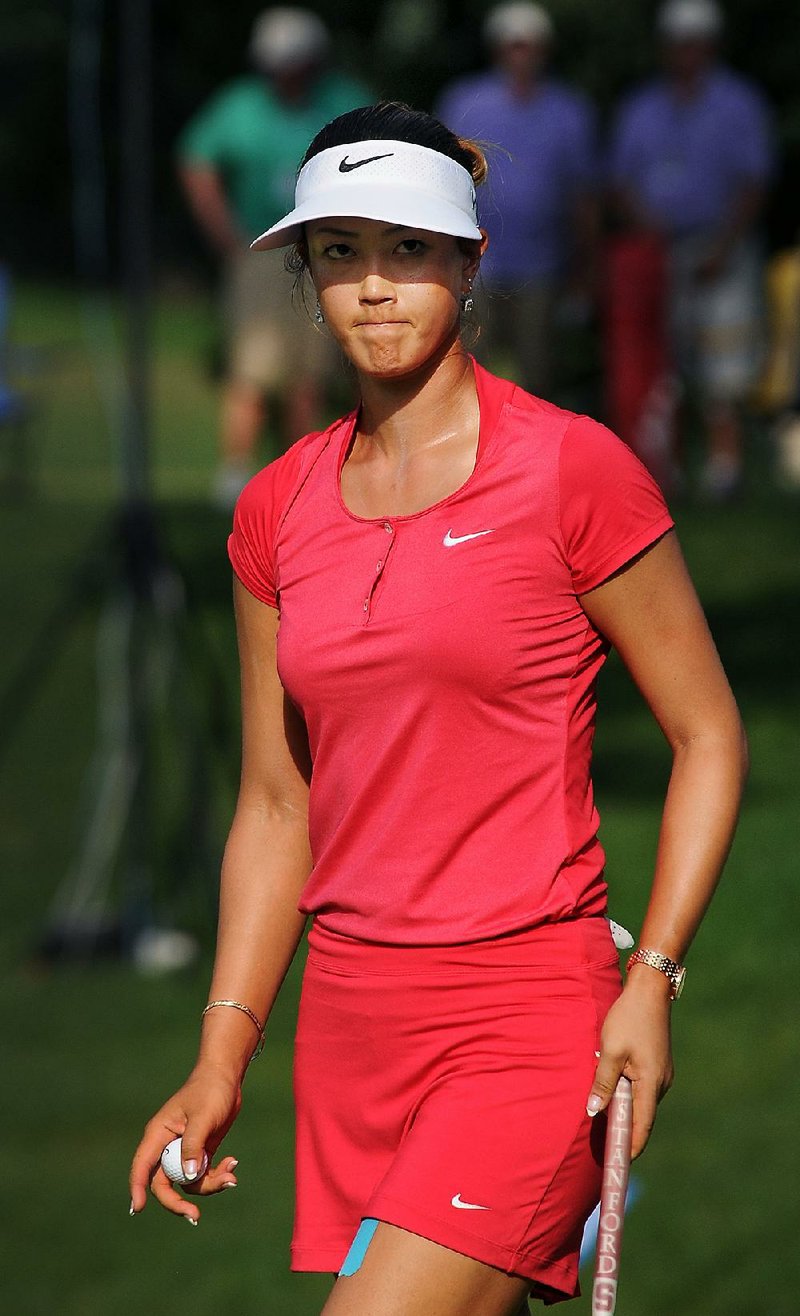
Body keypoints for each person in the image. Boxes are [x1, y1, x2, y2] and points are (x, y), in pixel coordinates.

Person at [130, 101, 747, 1313]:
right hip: (354, 1034)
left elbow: (707, 733)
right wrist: (220, 1052)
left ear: (469, 261)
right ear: (304, 275)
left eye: (408, 249)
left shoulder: (572, 469)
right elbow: (273, 803)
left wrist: (653, 975)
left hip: (527, 1021)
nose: (372, 285)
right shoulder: (273, 510)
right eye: (339, 251)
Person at [177, 7, 368, 506]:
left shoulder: (344, 101)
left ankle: (307, 474)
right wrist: (224, 234)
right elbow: (196, 160)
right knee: (251, 371)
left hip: (327, 250)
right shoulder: (241, 105)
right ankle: (235, 473)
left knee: (311, 373)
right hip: (261, 252)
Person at [608, 0, 774, 500]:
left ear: (711, 45)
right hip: (659, 251)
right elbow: (620, 182)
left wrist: (725, 244)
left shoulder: (738, 103)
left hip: (724, 246)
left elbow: (754, 182)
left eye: (695, 42)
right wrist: (650, 236)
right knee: (665, 364)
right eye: (679, 42)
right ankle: (667, 470)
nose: (687, 52)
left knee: (723, 364)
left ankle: (726, 470)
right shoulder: (642, 107)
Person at [436, 2, 598, 399]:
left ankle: (531, 459)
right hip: (473, 262)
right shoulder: (463, 101)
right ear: (498, 49)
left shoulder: (568, 110)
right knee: (466, 371)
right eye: (513, 46)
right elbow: (438, 180)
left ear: (544, 50)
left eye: (529, 46)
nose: (521, 55)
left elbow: (584, 196)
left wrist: (584, 268)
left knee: (537, 373)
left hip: (542, 264)